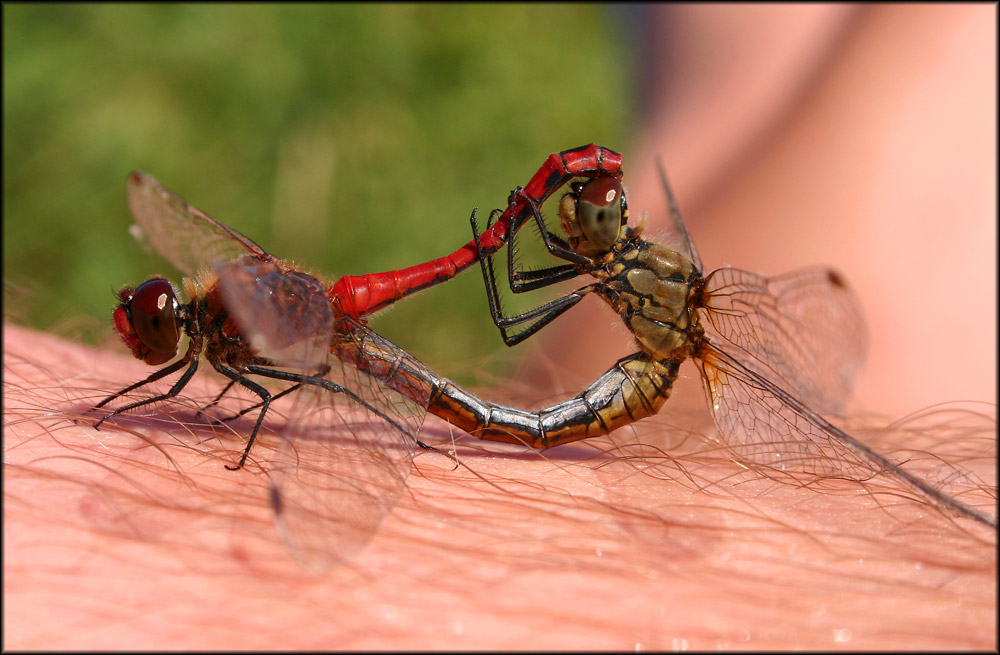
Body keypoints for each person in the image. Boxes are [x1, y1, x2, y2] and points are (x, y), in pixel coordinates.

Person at [4, 5, 995, 649]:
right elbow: (534, 291)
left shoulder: (642, 289)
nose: (591, 223)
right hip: (627, 333)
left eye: (597, 219)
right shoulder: (616, 260)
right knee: (748, 118)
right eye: (596, 219)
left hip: (640, 362)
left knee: (711, 157)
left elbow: (514, 299)